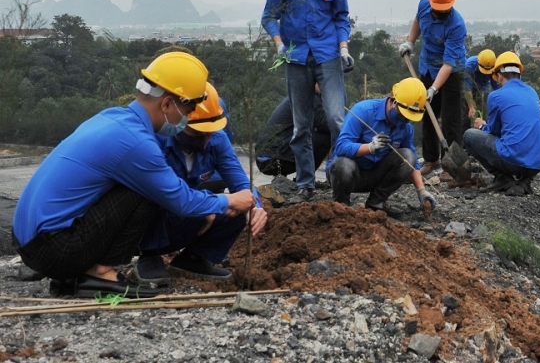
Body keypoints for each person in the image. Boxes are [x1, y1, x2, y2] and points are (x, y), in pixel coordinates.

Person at [12, 53, 256, 298]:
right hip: (56, 250)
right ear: (168, 104)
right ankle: (99, 274)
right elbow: (181, 201)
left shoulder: (112, 118)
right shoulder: (137, 144)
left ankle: (80, 274)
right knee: (147, 190)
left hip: (35, 244)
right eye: (188, 110)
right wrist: (229, 200)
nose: (186, 120)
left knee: (142, 186)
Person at [134, 84, 267, 286]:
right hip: (158, 212)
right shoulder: (154, 139)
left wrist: (254, 206)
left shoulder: (217, 140)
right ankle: (148, 254)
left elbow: (240, 183)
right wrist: (214, 204)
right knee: (146, 199)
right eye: (197, 132)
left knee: (242, 203)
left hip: (187, 213)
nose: (205, 138)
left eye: (210, 132)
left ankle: (194, 258)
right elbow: (170, 194)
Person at [262, 0, 353, 205]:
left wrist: (343, 46)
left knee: (338, 119)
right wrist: (278, 44)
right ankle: (305, 184)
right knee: (302, 125)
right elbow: (269, 16)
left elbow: (341, 17)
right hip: (295, 57)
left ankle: (342, 179)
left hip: (328, 56)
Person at [326, 78, 436, 216]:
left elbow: (411, 161)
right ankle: (341, 207)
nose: (404, 120)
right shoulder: (363, 111)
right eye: (402, 115)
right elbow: (341, 147)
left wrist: (421, 190)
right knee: (344, 164)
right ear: (392, 100)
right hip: (347, 175)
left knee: (408, 155)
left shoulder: (406, 127)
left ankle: (375, 203)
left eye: (408, 118)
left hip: (375, 175)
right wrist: (369, 147)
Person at [398, 0, 467, 176]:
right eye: (437, 9)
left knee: (450, 118)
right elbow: (418, 21)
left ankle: (452, 164)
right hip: (428, 66)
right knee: (427, 111)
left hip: (451, 70)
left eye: (444, 10)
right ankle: (431, 159)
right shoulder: (423, 5)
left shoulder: (457, 25)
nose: (440, 12)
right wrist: (410, 41)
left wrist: (433, 89)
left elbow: (448, 64)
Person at [465, 52, 540, 196]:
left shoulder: (496, 96)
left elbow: (493, 131)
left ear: (498, 75)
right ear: (519, 74)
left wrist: (481, 125)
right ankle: (525, 181)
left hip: (513, 161)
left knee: (469, 136)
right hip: (539, 162)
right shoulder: (532, 92)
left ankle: (503, 178)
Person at [255, 88, 332, 177]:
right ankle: (305, 180)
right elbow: (327, 125)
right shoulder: (309, 97)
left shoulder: (297, 93)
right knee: (325, 137)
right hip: (273, 161)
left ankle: (294, 179)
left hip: (263, 159)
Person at [464, 49, 497, 120]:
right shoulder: (469, 66)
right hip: (470, 85)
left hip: (484, 85)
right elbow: (467, 88)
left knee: (485, 107)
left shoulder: (495, 66)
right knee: (466, 111)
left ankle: (484, 126)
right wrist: (471, 107)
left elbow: (495, 86)